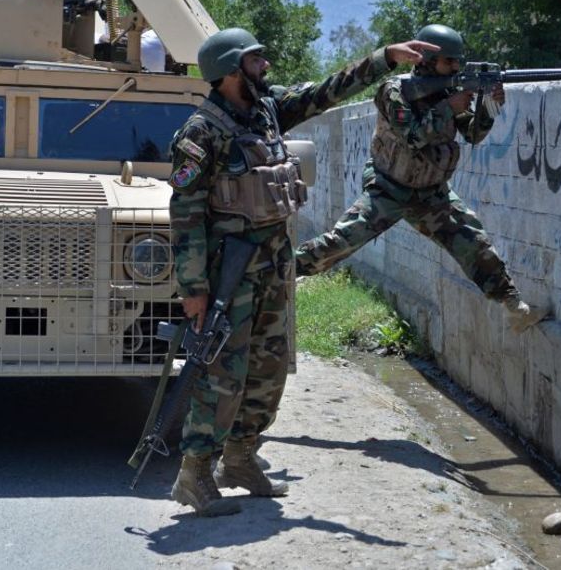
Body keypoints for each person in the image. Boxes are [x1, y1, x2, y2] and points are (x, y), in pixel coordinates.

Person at [167, 27, 436, 516]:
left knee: (269, 369)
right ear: (229, 72)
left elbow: (326, 91)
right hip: (229, 273)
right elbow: (185, 216)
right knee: (223, 375)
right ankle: (195, 472)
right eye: (254, 61)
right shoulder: (201, 133)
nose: (265, 68)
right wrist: (194, 290)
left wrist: (384, 59)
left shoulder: (267, 111)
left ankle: (242, 458)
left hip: (272, 264)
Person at [294, 24, 553, 333]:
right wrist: (448, 107)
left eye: (457, 62)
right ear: (427, 61)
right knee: (342, 241)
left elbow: (472, 134)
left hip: (431, 194)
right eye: (449, 61)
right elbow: (413, 136)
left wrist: (489, 107)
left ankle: (515, 308)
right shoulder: (395, 91)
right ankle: (281, 271)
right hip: (388, 189)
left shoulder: (446, 91)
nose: (455, 67)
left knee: (475, 243)